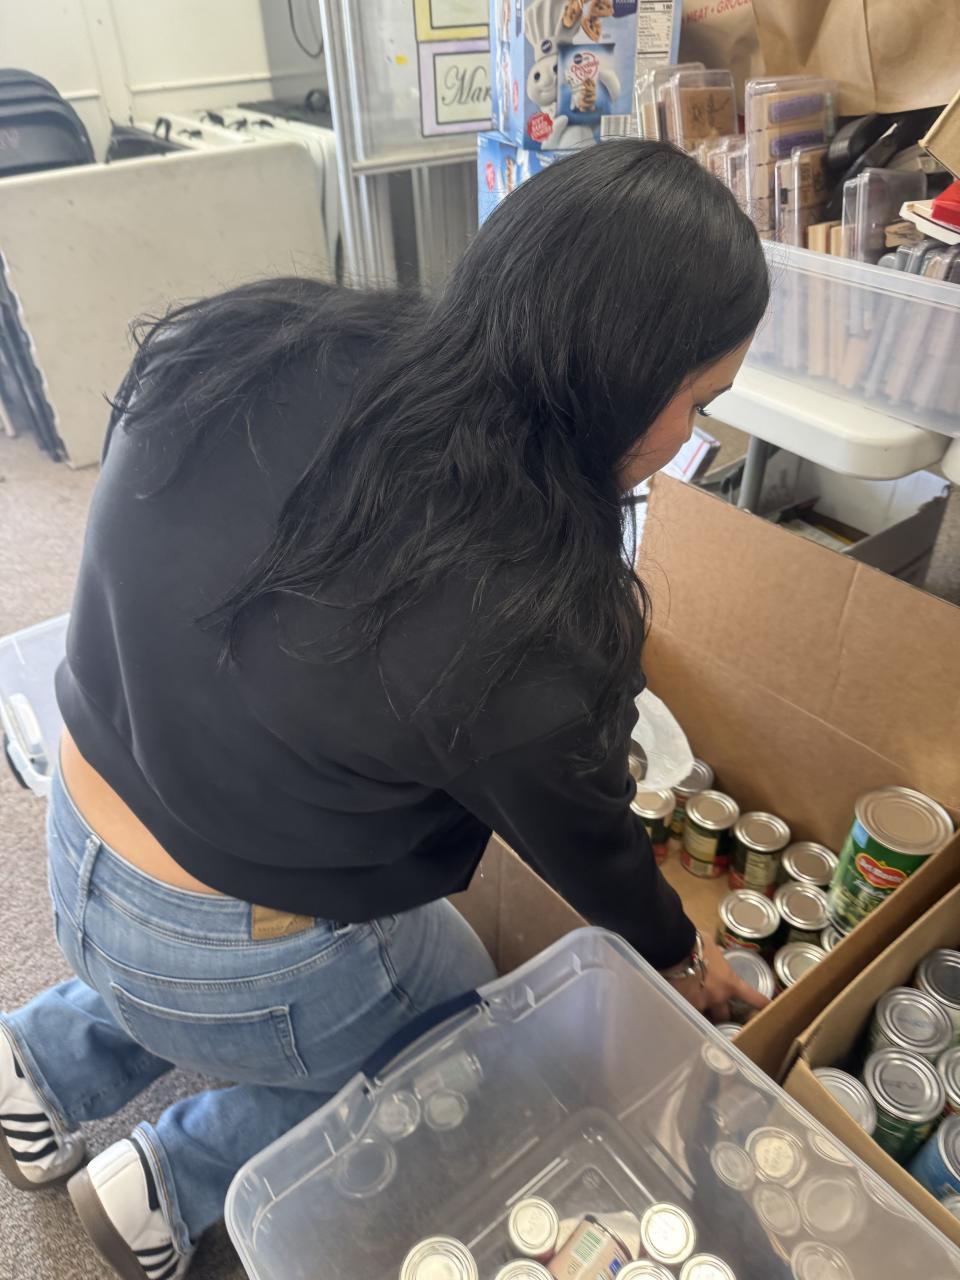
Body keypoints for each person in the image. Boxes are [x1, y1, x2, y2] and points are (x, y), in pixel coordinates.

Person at [0, 140, 769, 1279]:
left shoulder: (268, 333)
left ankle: (37, 1061)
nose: (691, 439)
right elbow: (588, 843)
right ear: (624, 380)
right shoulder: (530, 608)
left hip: (75, 833)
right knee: (460, 1019)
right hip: (214, 948)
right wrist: (680, 951)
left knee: (228, 891)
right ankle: (168, 1180)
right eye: (698, 401)